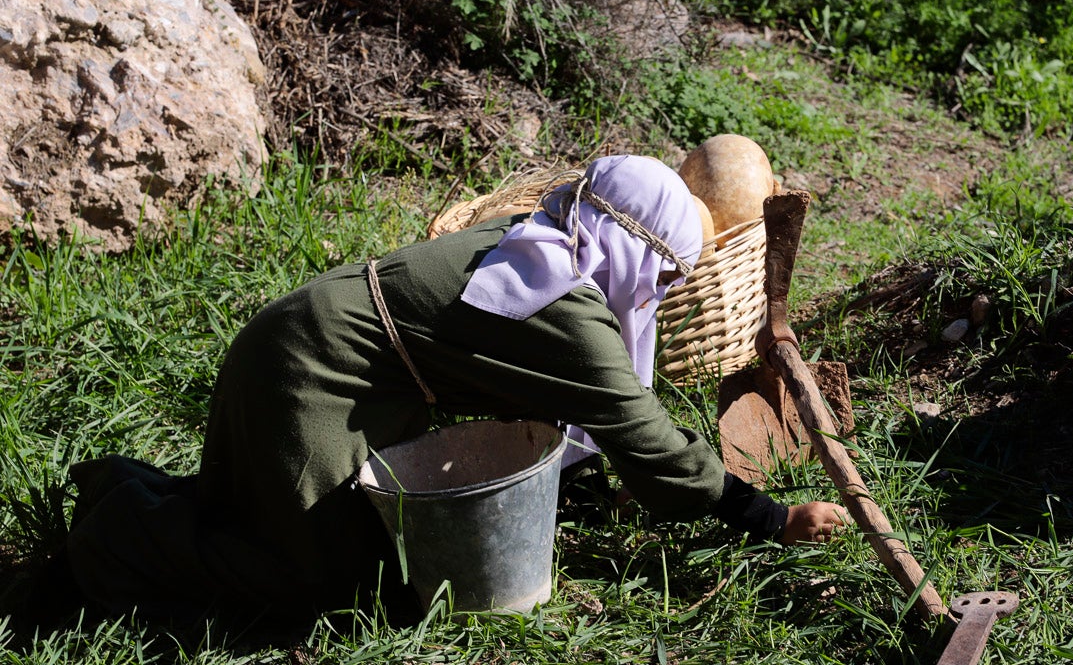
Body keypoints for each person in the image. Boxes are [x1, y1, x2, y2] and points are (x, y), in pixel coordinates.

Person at [50, 154, 847, 630]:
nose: (659, 296)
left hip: (317, 354)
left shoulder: (539, 249)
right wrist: (766, 517)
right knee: (313, 586)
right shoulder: (564, 307)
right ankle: (117, 531)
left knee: (328, 548)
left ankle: (155, 507)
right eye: (663, 277)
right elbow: (638, 429)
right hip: (303, 374)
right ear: (630, 252)